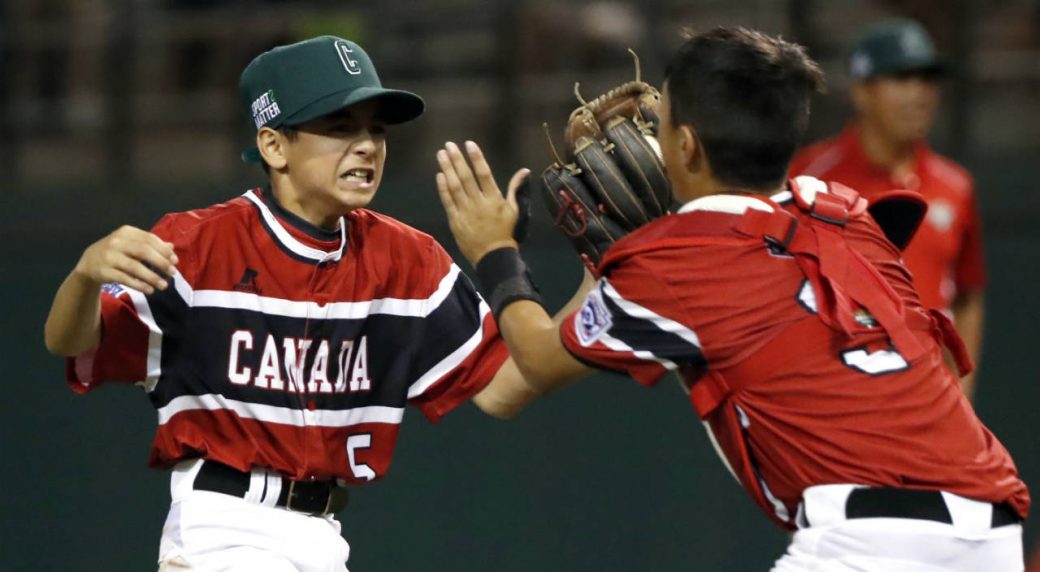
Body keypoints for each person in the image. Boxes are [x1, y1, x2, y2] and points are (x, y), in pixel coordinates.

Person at [434, 27, 1028, 570]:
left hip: (866, 541)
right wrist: (624, 265)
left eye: (662, 121)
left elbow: (532, 362)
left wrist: (494, 251)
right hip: (993, 529)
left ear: (686, 146)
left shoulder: (676, 261)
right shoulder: (845, 211)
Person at [43, 35, 542, 571]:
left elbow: (505, 389)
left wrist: (602, 281)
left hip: (322, 538)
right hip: (220, 528)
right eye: (339, 127)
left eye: (376, 128)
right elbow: (70, 343)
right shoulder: (195, 246)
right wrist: (84, 276)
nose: (367, 145)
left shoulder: (409, 260)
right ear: (274, 146)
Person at [790, 19, 987, 399]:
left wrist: (963, 393)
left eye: (926, 79)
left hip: (930, 398)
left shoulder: (956, 186)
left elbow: (968, 293)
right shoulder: (810, 177)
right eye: (901, 78)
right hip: (842, 394)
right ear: (862, 91)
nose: (920, 94)